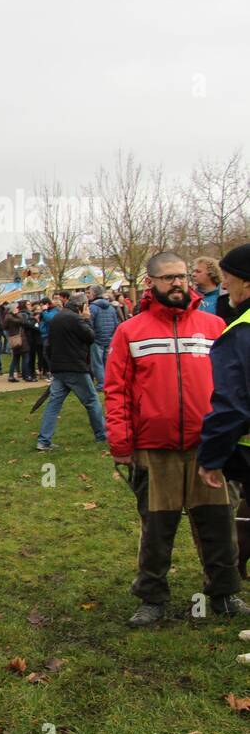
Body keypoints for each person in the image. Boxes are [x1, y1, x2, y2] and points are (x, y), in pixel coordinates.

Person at [105, 251, 246, 627]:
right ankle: (152, 597)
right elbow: (115, 391)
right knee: (157, 528)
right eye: (168, 278)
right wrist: (121, 444)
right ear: (151, 283)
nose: (178, 283)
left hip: (209, 448)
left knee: (218, 524)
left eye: (183, 276)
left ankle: (224, 593)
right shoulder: (129, 331)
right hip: (155, 449)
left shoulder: (215, 326)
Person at [198, 245, 250, 588]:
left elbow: (232, 403)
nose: (225, 285)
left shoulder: (241, 331)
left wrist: (211, 458)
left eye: (228, 278)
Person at [35, 294, 107, 451]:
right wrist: (87, 319)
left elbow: (49, 345)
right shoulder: (76, 319)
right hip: (75, 367)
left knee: (54, 404)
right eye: (86, 307)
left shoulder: (57, 318)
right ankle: (101, 435)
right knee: (92, 401)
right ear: (80, 307)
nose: (88, 310)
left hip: (59, 368)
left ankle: (44, 440)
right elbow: (90, 337)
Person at [87, 284, 119, 393]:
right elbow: (116, 323)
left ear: (94, 294)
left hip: (97, 339)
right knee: (107, 363)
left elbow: (89, 323)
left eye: (89, 293)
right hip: (109, 338)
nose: (88, 295)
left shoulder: (93, 307)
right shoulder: (111, 307)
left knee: (97, 363)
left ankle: (102, 384)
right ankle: (109, 382)